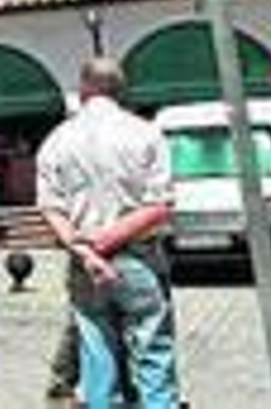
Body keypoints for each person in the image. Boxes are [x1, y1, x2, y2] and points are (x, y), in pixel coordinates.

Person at [37, 58, 181, 409]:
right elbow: (160, 205)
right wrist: (109, 241)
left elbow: (50, 208)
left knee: (96, 354)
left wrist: (87, 251)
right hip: (137, 256)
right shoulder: (145, 132)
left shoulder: (57, 140)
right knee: (152, 350)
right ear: (120, 91)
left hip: (84, 263)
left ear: (84, 90)